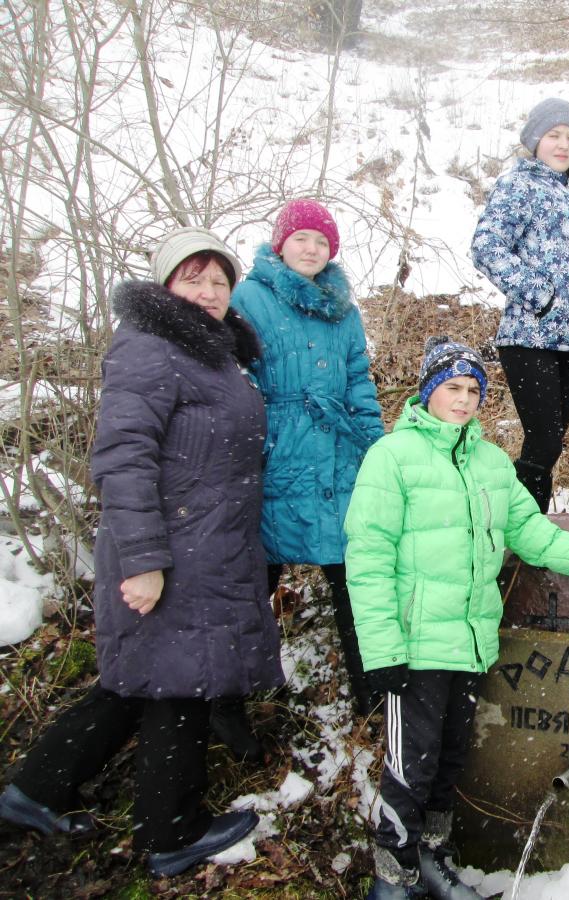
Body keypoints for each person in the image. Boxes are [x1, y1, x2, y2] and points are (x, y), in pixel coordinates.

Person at [0, 228, 280, 876]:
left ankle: (34, 790)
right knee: (181, 685)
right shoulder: (151, 349)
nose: (209, 291)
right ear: (165, 285)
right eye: (194, 278)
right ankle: (171, 832)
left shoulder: (213, 356)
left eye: (219, 280)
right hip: (168, 551)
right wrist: (145, 560)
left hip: (206, 546)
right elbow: (124, 458)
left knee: (135, 683)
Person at [344, 336, 569, 899]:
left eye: (472, 391)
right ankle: (392, 878)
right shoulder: (391, 458)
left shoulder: (489, 462)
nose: (463, 400)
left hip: (470, 641)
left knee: (451, 760)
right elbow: (367, 560)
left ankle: (432, 861)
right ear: (428, 392)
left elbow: (531, 535)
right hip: (413, 646)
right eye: (452, 388)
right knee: (409, 767)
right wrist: (382, 652)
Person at [229, 199, 385, 743]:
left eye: (322, 241)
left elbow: (358, 380)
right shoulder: (249, 296)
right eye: (302, 239)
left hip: (338, 454)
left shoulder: (344, 307)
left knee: (354, 576)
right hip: (277, 454)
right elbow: (235, 378)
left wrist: (374, 446)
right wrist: (257, 442)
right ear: (280, 243)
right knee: (254, 584)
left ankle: (374, 700)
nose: (312, 249)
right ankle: (240, 705)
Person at [471, 97, 569, 513]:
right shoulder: (520, 185)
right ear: (535, 139)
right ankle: (512, 529)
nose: (563, 144)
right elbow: (486, 247)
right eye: (554, 135)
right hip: (529, 336)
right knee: (545, 439)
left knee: (549, 445)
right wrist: (541, 295)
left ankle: (524, 531)